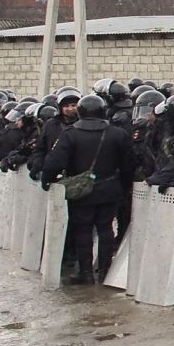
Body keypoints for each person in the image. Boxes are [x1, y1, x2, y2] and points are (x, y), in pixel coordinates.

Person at [41, 93, 136, 283]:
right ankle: (104, 271)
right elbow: (129, 164)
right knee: (106, 229)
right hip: (110, 189)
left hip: (81, 191)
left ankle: (85, 273)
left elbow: (54, 162)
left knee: (82, 229)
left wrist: (47, 180)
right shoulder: (117, 133)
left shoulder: (70, 134)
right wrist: (123, 186)